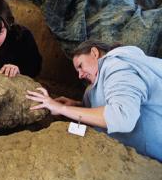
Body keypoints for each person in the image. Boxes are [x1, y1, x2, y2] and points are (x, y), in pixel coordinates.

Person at [26, 40, 162, 162]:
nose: (80, 75)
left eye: (80, 66)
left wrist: (61, 108)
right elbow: (108, 104)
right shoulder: (100, 81)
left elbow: (121, 116)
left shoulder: (118, 66)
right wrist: (78, 105)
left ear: (94, 53)